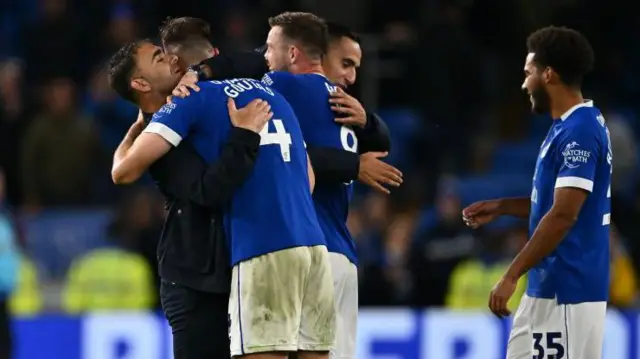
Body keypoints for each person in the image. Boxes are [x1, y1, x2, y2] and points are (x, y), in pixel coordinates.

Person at [107, 40, 336, 359]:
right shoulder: (163, 141)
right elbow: (207, 191)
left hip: (234, 265)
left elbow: (255, 60)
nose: (172, 60)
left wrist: (201, 71)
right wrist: (245, 135)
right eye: (159, 58)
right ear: (140, 83)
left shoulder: (196, 100)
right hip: (195, 281)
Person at [462, 26, 609, 359]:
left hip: (568, 291)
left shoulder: (580, 131)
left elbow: (564, 215)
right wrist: (501, 206)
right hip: (547, 288)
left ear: (548, 74)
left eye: (528, 73)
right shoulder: (566, 127)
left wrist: (512, 274)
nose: (524, 83)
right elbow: (553, 204)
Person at [163, 17, 399, 194]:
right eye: (346, 64)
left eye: (356, 67)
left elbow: (382, 144)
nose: (352, 77)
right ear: (319, 53)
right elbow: (245, 61)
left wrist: (367, 122)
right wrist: (199, 71)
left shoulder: (341, 104)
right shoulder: (278, 80)